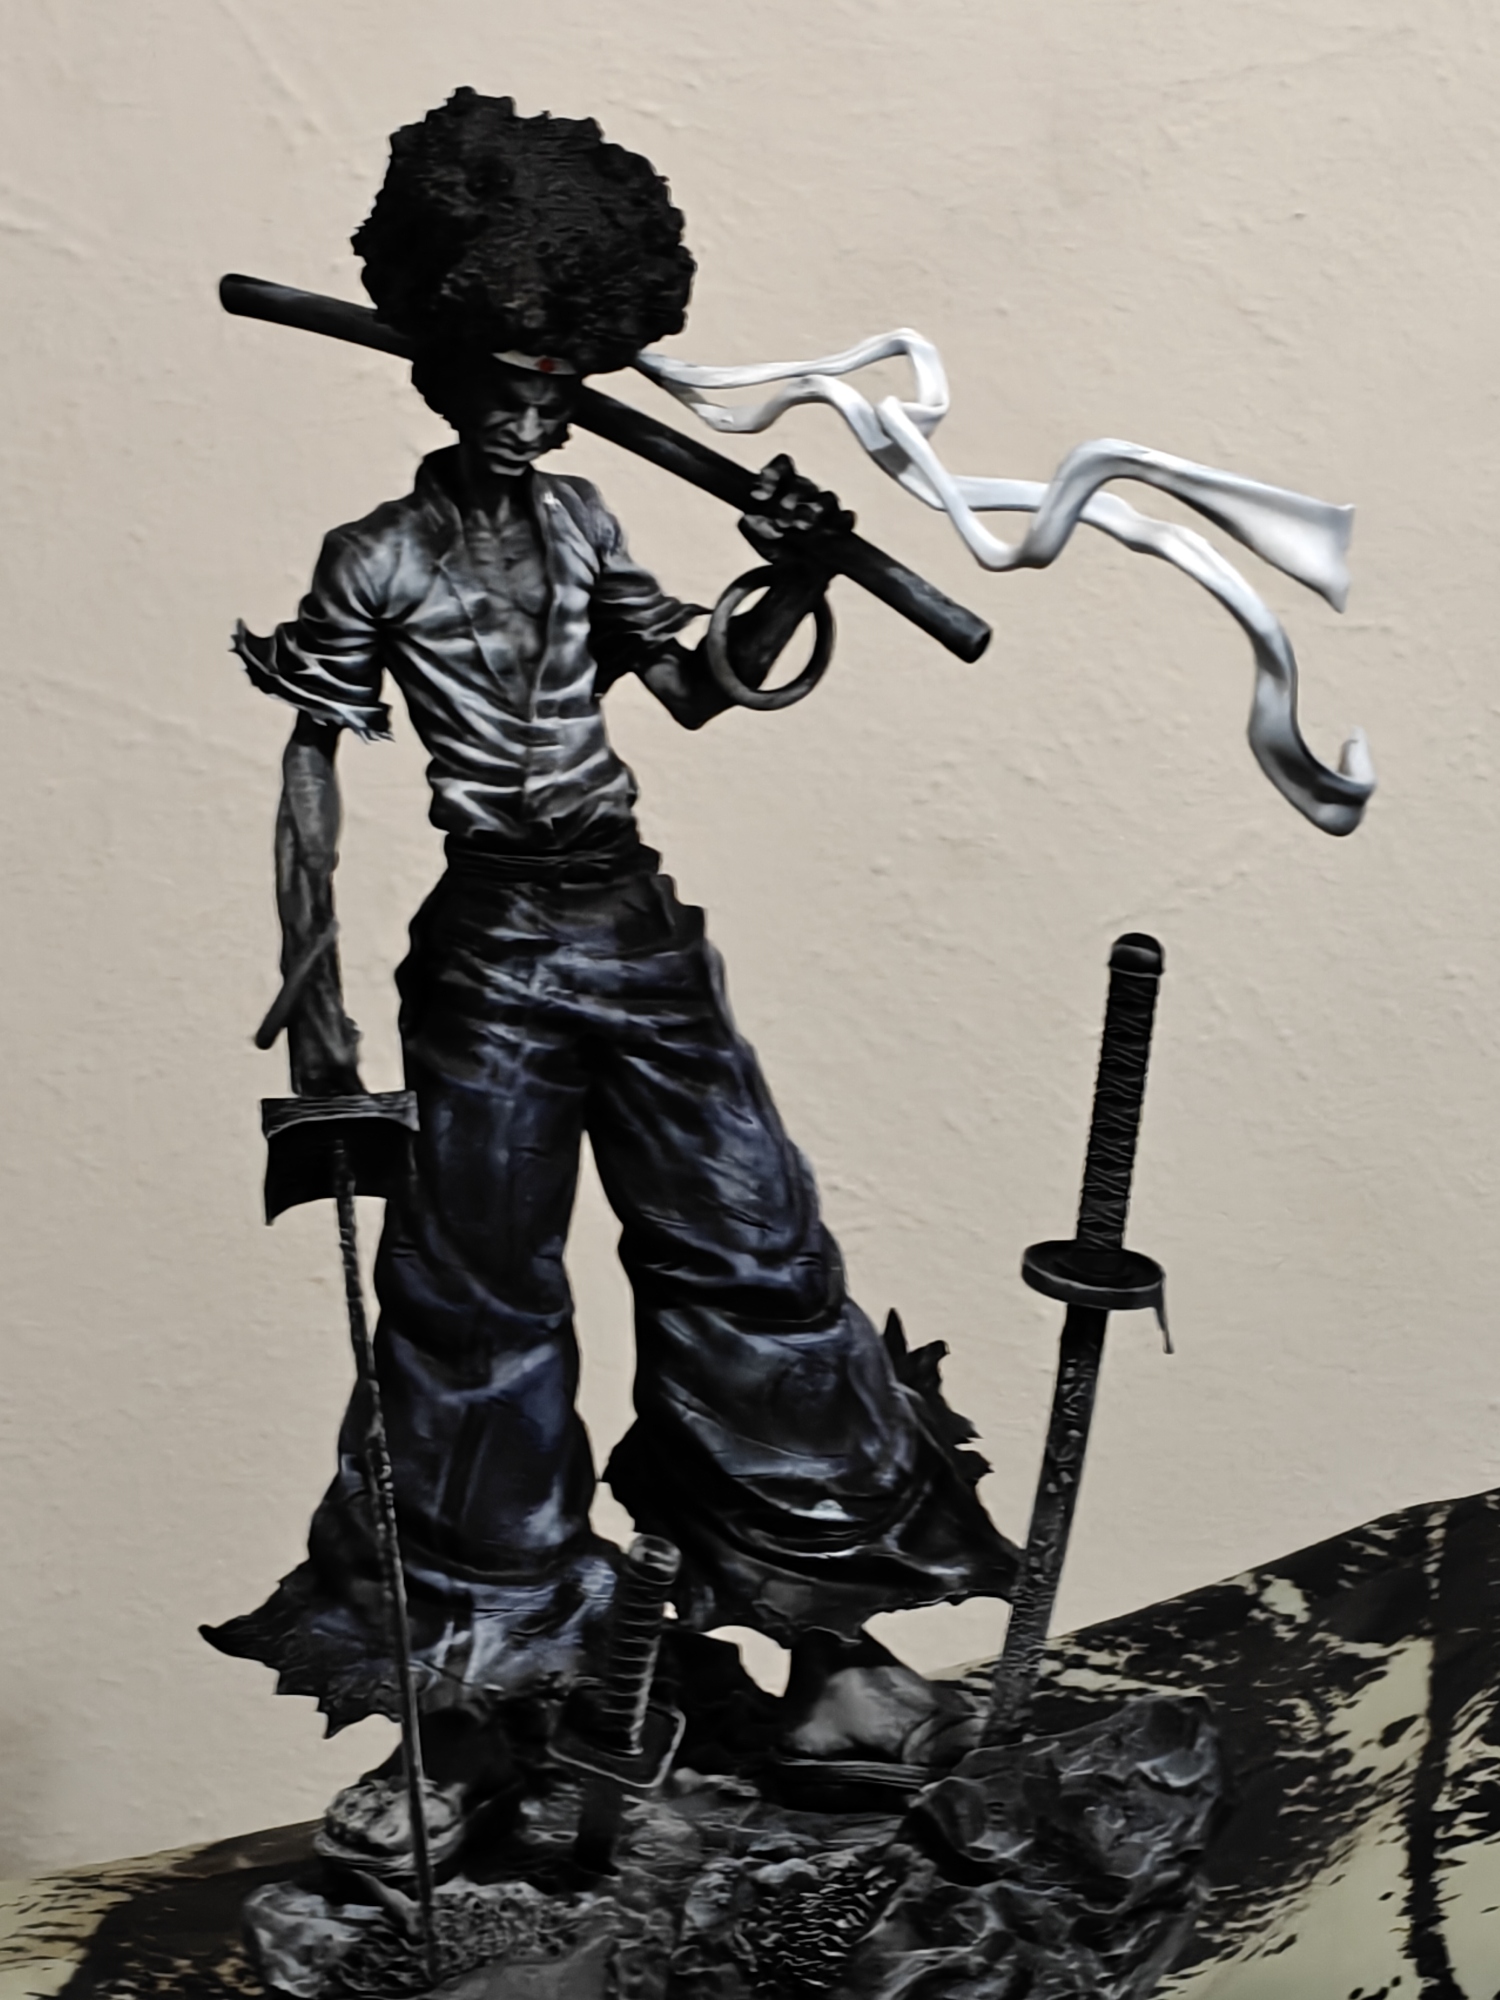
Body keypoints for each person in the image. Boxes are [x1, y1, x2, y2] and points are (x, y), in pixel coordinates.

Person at [205, 89, 1014, 1869]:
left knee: (755, 1257)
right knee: (471, 1324)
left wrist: (787, 579)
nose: (532, 414)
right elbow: (311, 762)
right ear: (446, 376)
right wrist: (312, 993)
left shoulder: (583, 523)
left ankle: (829, 1656)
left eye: (556, 386)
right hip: (490, 953)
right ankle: (468, 1713)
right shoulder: (376, 557)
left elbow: (704, 687)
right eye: (505, 383)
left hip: (634, 927)